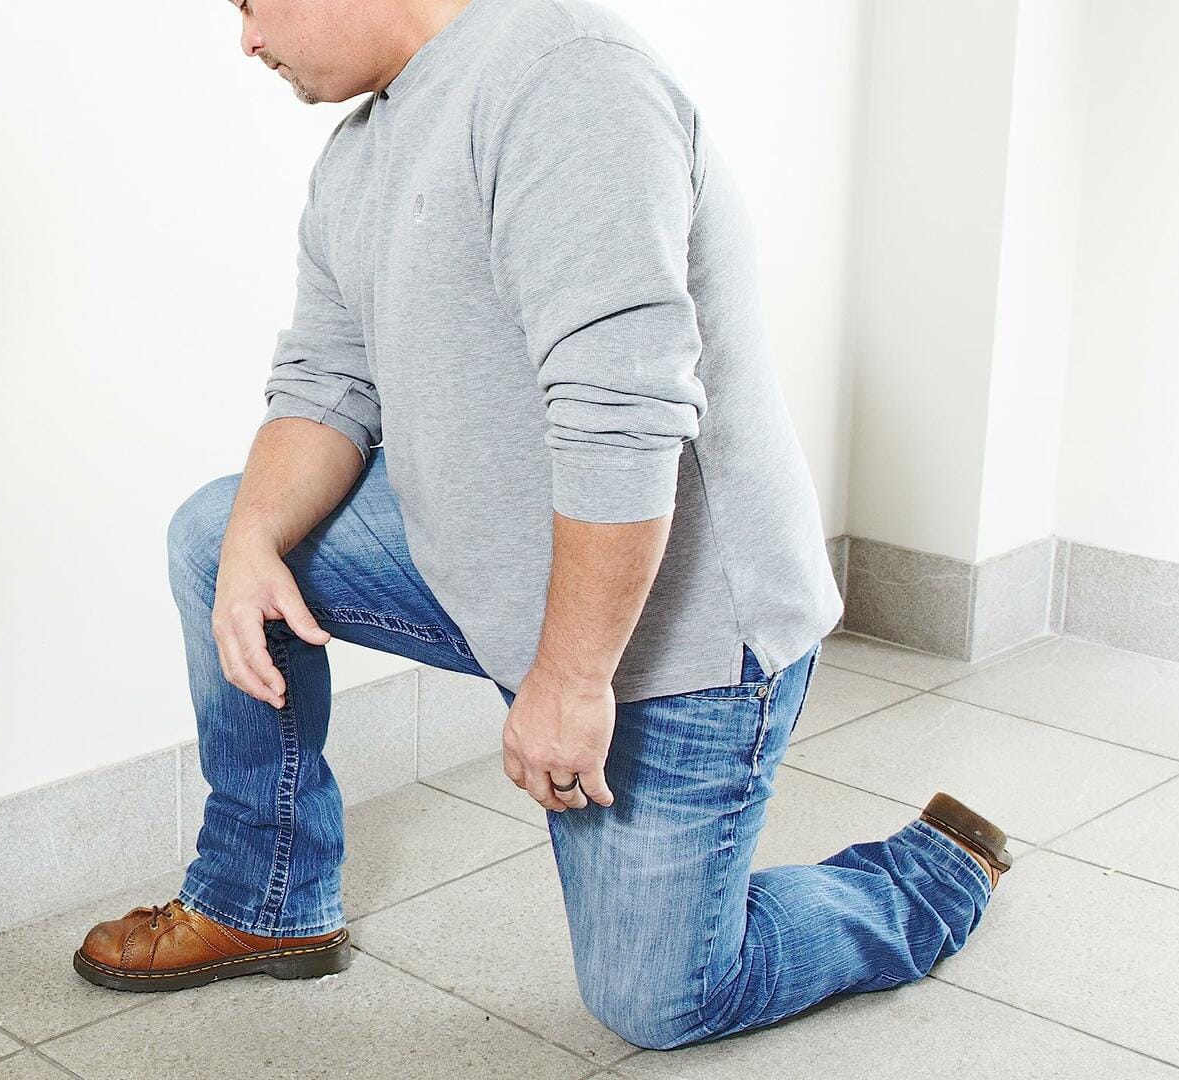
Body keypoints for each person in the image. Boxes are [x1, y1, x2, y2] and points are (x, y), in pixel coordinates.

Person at [71, 0, 1011, 1051]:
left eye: (248, 2)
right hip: (496, 572)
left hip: (677, 632)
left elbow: (623, 408)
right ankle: (263, 893)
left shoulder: (566, 79)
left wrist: (566, 681)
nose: (245, 40)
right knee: (217, 539)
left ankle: (925, 878)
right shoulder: (359, 157)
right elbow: (324, 383)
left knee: (662, 1000)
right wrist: (252, 545)